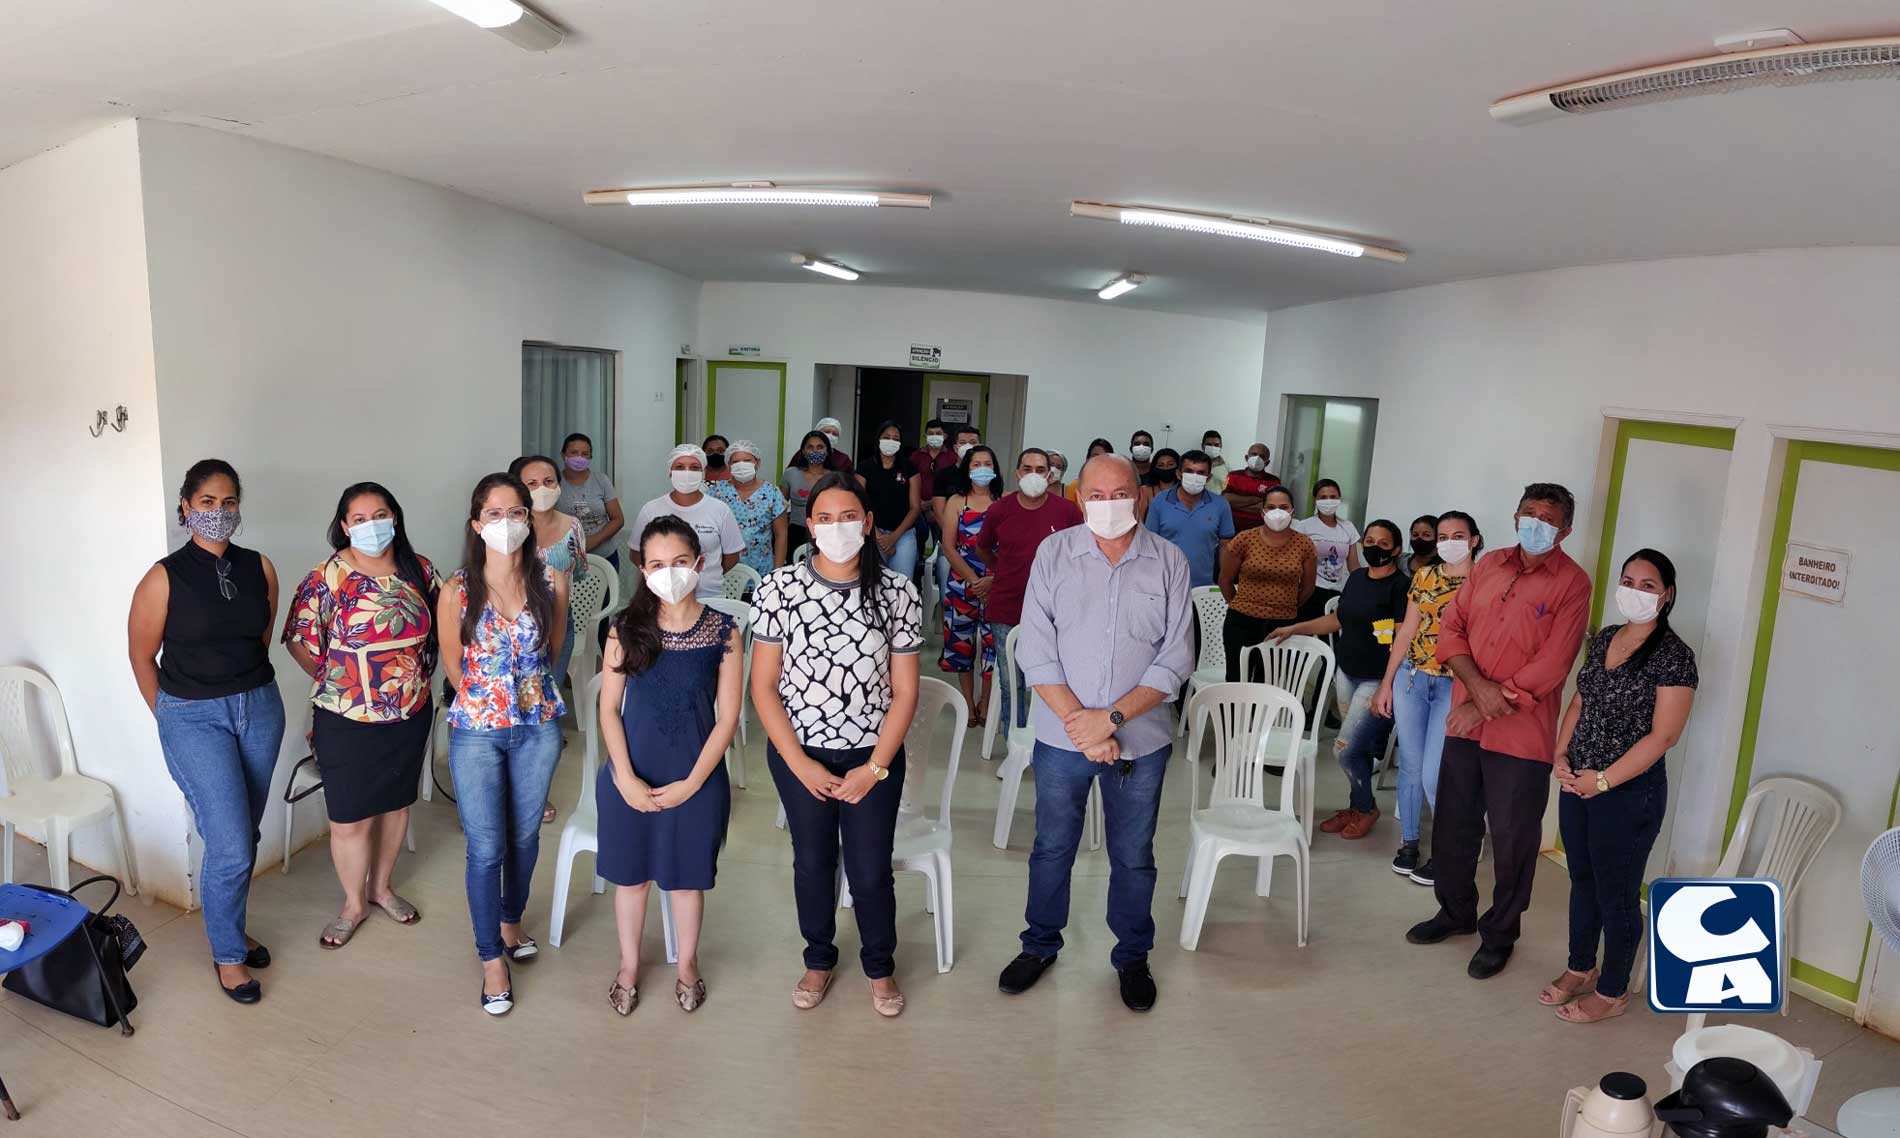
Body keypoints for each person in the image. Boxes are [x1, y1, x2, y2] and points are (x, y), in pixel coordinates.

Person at [997, 453, 1192, 1013]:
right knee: (1052, 847)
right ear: (1080, 499)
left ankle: (1132, 954)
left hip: (1142, 738)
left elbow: (1175, 658)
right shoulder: (1054, 555)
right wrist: (1082, 727)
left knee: (1133, 854)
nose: (1109, 506)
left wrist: (1110, 720)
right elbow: (1036, 650)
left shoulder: (1169, 563)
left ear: (1142, 496)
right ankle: (1039, 945)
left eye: (1121, 494)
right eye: (1096, 496)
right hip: (1063, 738)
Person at [750, 475, 922, 1018]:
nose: (836, 528)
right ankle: (819, 958)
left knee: (871, 869)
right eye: (823, 518)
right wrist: (798, 763)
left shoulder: (898, 592)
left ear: (868, 523)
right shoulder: (779, 588)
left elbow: (906, 692)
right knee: (812, 862)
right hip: (800, 755)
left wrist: (874, 767)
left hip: (873, 757)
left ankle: (880, 965)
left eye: (848, 516)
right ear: (810, 525)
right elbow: (764, 687)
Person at [1406, 482, 1590, 982]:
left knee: (1512, 840)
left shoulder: (1573, 583)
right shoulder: (1488, 565)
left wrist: (1485, 704)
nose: (1535, 523)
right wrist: (1479, 693)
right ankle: (1455, 911)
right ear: (1513, 517)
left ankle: (1500, 934)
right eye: (1528, 513)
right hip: (1466, 720)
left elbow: (1553, 665)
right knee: (1452, 826)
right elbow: (1451, 630)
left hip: (1522, 735)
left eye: (1547, 518)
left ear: (1565, 529)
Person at [127, 459, 285, 1004]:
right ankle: (228, 956)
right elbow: (141, 655)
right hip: (194, 716)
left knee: (244, 834)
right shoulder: (163, 576)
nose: (220, 513)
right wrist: (170, 717)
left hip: (259, 707)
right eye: (208, 503)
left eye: (229, 502)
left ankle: (229, 928)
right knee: (232, 842)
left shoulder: (259, 567)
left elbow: (259, 637)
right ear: (186, 508)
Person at [596, 516, 744, 1016]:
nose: (670, 572)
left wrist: (691, 784)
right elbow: (607, 711)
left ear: (699, 565)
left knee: (686, 880)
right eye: (657, 564)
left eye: (679, 562)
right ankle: (629, 966)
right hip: (630, 775)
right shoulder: (624, 628)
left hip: (696, 778)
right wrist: (624, 777)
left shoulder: (724, 631)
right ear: (642, 568)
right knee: (631, 879)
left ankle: (687, 965)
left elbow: (727, 720)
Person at [1542, 549, 1696, 1024]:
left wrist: (1604, 780)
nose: (1634, 591)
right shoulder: (1606, 636)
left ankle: (1612, 991)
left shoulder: (1674, 657)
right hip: (1578, 781)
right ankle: (1580, 966)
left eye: (1647, 585)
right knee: (1582, 879)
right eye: (1628, 581)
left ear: (1666, 595)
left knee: (1617, 892)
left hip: (1628, 793)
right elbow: (1580, 701)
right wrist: (1561, 753)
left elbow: (1664, 736)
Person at [282, 482, 438, 947]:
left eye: (381, 513)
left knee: (395, 804)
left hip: (409, 711)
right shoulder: (327, 577)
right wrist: (339, 677)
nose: (372, 525)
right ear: (345, 525)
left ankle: (381, 888)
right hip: (345, 717)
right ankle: (353, 903)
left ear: (396, 517)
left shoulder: (421, 570)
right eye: (361, 518)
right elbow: (297, 637)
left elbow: (445, 624)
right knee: (349, 818)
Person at [438, 472, 570, 1016]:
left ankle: (511, 924)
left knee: (524, 839)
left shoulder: (552, 580)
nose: (507, 522)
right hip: (476, 730)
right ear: (476, 524)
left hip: (538, 725)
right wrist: (486, 701)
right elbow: (452, 662)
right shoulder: (457, 589)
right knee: (486, 846)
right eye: (494, 514)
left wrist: (525, 696)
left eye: (516, 511)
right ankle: (491, 956)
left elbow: (555, 647)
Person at [1270, 520, 1409, 841]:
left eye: (1383, 543)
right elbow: (1337, 619)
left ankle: (1367, 807)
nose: (1374, 547)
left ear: (1396, 550)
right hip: (1347, 672)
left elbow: (1402, 638)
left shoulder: (1401, 587)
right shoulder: (1358, 578)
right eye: (1369, 540)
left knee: (1344, 750)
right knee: (1355, 748)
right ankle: (1355, 807)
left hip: (1377, 679)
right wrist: (1295, 628)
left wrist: (1388, 685)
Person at [1374, 511, 1482, 884]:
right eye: (1442, 536)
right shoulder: (1425, 576)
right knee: (1411, 766)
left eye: (1458, 535)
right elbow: (1406, 633)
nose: (1449, 541)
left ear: (1474, 541)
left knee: (1436, 774)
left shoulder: (1485, 583)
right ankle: (1409, 843)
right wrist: (1386, 682)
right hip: (1412, 680)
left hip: (1455, 685)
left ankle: (1446, 853)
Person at [975, 448, 1084, 742]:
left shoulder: (1067, 511)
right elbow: (982, 547)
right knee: (1011, 682)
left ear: (1050, 475)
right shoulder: (1000, 510)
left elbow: (1081, 553)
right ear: (1017, 473)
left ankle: (1050, 740)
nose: (1033, 475)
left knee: (1053, 680)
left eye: (1040, 469)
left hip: (1055, 610)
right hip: (1007, 605)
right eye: (1027, 468)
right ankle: (1016, 741)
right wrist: (1002, 571)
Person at [513, 453, 588, 825]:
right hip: (510, 635)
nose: (542, 490)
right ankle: (503, 795)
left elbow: (578, 573)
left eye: (548, 481)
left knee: (542, 719)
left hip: (558, 627)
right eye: (531, 484)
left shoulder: (573, 526)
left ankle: (535, 794)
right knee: (509, 717)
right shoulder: (508, 528)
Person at [1216, 486, 1316, 681]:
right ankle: (1236, 713)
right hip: (1241, 622)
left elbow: (1308, 587)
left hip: (1282, 626)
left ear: (1292, 511)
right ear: (1262, 511)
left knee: (1269, 682)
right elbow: (1225, 580)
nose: (1277, 512)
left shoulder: (1304, 544)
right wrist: (1240, 605)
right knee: (1237, 680)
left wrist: (1288, 606)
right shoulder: (1244, 539)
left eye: (1283, 507)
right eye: (1271, 507)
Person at [939, 444, 1002, 726]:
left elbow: (1011, 547)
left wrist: (991, 580)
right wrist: (975, 581)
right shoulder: (956, 502)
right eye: (976, 464)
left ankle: (986, 702)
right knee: (961, 644)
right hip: (962, 582)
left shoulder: (1005, 501)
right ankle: (967, 702)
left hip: (996, 584)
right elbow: (949, 548)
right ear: (967, 469)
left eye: (987, 463)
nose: (982, 469)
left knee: (993, 645)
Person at [631, 444, 744, 599]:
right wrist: (662, 582)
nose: (687, 472)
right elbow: (636, 553)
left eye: (694, 467)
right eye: (680, 467)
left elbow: (732, 556)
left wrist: (704, 576)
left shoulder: (720, 510)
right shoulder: (651, 510)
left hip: (708, 596)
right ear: (670, 472)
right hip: (661, 598)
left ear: (703, 473)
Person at [1143, 448, 1234, 590]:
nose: (1195, 476)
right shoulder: (1160, 502)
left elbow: (1225, 546)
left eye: (1201, 473)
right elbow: (1149, 543)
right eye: (1189, 471)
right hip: (1164, 584)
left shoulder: (1220, 505)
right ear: (1179, 474)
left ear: (1208, 477)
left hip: (1203, 586)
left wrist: (1224, 579)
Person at [708, 439, 788, 580]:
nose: (741, 465)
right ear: (729, 465)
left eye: (747, 460)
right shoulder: (717, 492)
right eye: (736, 462)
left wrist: (777, 573)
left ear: (757, 463)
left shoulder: (771, 493)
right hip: (724, 571)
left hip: (762, 570)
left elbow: (781, 534)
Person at [857, 419, 922, 580]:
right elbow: (859, 504)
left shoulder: (910, 468)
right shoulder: (865, 467)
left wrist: (893, 537)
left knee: (903, 584)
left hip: (903, 535)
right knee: (873, 583)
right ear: (878, 439)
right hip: (871, 533)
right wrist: (879, 537)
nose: (891, 442)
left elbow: (915, 507)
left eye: (895, 438)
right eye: (887, 437)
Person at [1293, 478, 1360, 620]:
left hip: (1337, 592)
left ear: (1339, 499)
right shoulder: (1304, 526)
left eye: (1333, 497)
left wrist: (1361, 588)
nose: (1328, 501)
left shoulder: (1348, 527)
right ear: (1315, 500)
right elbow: (1295, 562)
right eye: (1323, 497)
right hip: (1309, 590)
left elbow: (1354, 565)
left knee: (1331, 638)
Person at [556, 432, 624, 568]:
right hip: (566, 556)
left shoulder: (601, 480)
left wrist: (595, 540)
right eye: (574, 452)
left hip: (605, 556)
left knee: (607, 590)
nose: (579, 457)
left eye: (585, 453)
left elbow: (618, 519)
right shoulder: (554, 483)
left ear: (590, 457)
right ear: (564, 455)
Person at [780, 430, 833, 554]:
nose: (815, 451)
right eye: (810, 447)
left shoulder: (834, 477)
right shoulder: (791, 473)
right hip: (795, 532)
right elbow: (780, 506)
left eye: (820, 447)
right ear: (803, 451)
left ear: (827, 450)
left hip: (824, 531)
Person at [1221, 443, 1280, 533]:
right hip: (1231, 528)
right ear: (1246, 458)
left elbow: (1270, 508)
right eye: (1254, 454)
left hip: (1259, 532)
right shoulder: (1233, 475)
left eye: (1262, 456)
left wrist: (1237, 505)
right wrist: (1257, 500)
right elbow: (1226, 500)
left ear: (1267, 462)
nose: (1257, 458)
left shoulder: (1274, 481)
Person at [908, 417, 958, 506]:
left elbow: (955, 484)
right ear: (925, 436)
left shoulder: (953, 457)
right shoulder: (916, 456)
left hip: (946, 506)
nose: (934, 436)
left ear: (945, 436)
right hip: (918, 507)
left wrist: (932, 504)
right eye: (930, 434)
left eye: (938, 433)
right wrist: (920, 504)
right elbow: (909, 482)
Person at [1135, 447, 1180, 523]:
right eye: (1160, 465)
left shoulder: (1183, 490)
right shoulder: (1145, 491)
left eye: (1170, 464)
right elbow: (1139, 521)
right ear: (1154, 468)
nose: (1166, 468)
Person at [1066, 438, 1116, 504]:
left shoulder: (1116, 486)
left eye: (1104, 456)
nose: (1099, 460)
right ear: (1087, 459)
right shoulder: (1075, 486)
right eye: (1095, 456)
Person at [1200, 430, 1230, 494]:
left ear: (1221, 446)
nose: (1213, 447)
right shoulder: (1195, 465)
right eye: (1209, 444)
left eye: (1216, 445)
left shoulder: (1227, 467)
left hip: (1220, 502)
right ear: (1202, 446)